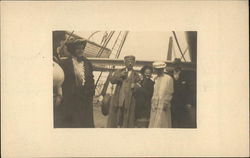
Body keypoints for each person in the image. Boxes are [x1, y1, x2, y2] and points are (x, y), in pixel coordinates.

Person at [54, 39, 95, 128]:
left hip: (85, 101)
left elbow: (91, 80)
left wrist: (91, 94)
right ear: (72, 50)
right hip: (71, 100)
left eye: (82, 48)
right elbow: (61, 81)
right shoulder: (65, 64)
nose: (81, 51)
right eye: (77, 49)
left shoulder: (87, 63)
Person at [107, 55, 140, 128]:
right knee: (117, 115)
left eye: (132, 61)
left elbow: (139, 85)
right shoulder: (119, 71)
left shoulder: (136, 74)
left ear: (134, 63)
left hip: (129, 99)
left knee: (127, 116)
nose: (130, 63)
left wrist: (135, 86)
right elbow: (112, 80)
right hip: (119, 97)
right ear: (124, 62)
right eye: (128, 61)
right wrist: (120, 76)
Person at [170, 58, 196, 128]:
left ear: (180, 65)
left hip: (183, 102)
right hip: (172, 102)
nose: (176, 66)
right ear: (173, 65)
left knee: (182, 121)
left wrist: (189, 102)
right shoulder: (169, 75)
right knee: (172, 121)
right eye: (175, 64)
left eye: (178, 64)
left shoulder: (186, 75)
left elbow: (190, 90)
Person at [149, 61, 174, 128]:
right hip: (155, 104)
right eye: (157, 69)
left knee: (163, 122)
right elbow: (154, 91)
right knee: (154, 122)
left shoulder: (168, 78)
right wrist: (153, 102)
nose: (159, 71)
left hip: (163, 104)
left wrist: (166, 102)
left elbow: (170, 91)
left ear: (163, 69)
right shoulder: (155, 79)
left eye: (160, 69)